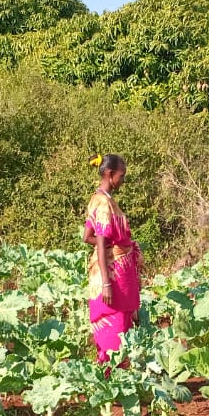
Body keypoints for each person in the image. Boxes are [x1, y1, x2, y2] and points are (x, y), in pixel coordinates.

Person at [83, 153, 142, 364]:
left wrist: (115, 245)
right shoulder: (103, 203)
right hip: (112, 278)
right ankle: (111, 378)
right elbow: (99, 241)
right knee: (114, 336)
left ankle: (115, 377)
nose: (123, 179)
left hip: (117, 276)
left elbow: (87, 237)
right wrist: (106, 283)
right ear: (109, 174)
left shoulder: (99, 199)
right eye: (121, 175)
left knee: (120, 333)